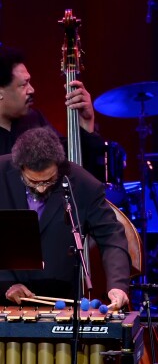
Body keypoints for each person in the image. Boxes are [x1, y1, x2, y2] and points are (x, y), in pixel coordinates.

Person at [0, 127, 131, 310]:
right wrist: (5, 283)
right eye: (33, 182)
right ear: (19, 167)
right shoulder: (1, 173)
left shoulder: (85, 184)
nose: (41, 189)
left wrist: (118, 285)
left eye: (48, 180)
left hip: (59, 300)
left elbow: (111, 235)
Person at [0, 45, 110, 174]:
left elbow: (73, 165)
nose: (32, 90)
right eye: (24, 85)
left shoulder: (34, 119)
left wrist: (86, 121)